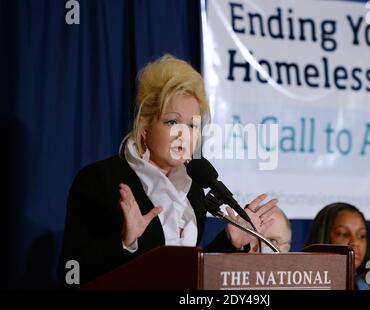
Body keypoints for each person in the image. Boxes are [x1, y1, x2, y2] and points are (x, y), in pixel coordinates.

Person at [58, 55, 279, 285]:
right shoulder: (100, 180)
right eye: (172, 122)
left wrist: (229, 242)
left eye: (192, 125)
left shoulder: (192, 191)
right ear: (144, 127)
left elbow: (191, 275)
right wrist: (125, 243)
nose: (183, 133)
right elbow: (72, 275)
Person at [304, 202, 370, 290]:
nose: (355, 242)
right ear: (323, 236)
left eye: (361, 235)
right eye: (343, 234)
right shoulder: (298, 284)